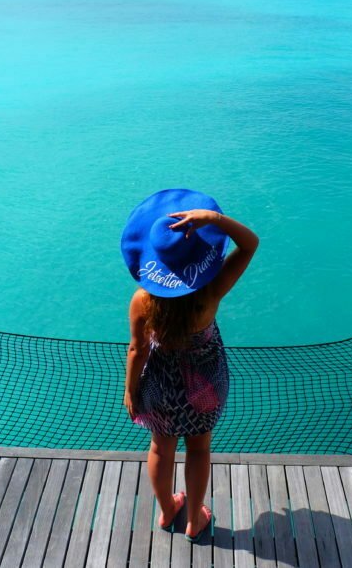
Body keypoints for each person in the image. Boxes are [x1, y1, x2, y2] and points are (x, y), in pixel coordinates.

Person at [121, 188, 258, 542]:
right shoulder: (209, 293)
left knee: (159, 447)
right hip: (205, 384)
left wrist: (130, 390)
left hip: (159, 385)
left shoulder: (143, 301)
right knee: (198, 448)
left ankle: (168, 510)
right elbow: (250, 244)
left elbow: (137, 350)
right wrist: (214, 220)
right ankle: (194, 518)